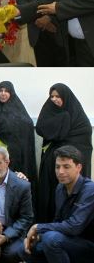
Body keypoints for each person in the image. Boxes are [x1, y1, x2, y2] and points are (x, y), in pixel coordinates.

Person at [21, 145, 94, 263]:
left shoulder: (90, 190)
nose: (60, 172)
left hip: (88, 246)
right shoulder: (60, 188)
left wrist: (38, 227)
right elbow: (58, 221)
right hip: (67, 240)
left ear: (78, 167)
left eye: (66, 167)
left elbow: (74, 227)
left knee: (51, 239)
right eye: (57, 167)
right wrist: (39, 236)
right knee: (26, 247)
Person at [35, 83, 93, 222]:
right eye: (52, 96)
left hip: (71, 172)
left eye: (58, 96)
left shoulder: (80, 120)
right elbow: (42, 128)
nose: (54, 99)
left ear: (66, 97)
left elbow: (83, 147)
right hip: (52, 170)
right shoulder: (50, 110)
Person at [0, 81, 37, 191]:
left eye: (6, 91)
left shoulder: (19, 110)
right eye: (0, 91)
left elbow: (27, 125)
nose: (3, 93)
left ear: (11, 93)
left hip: (17, 156)